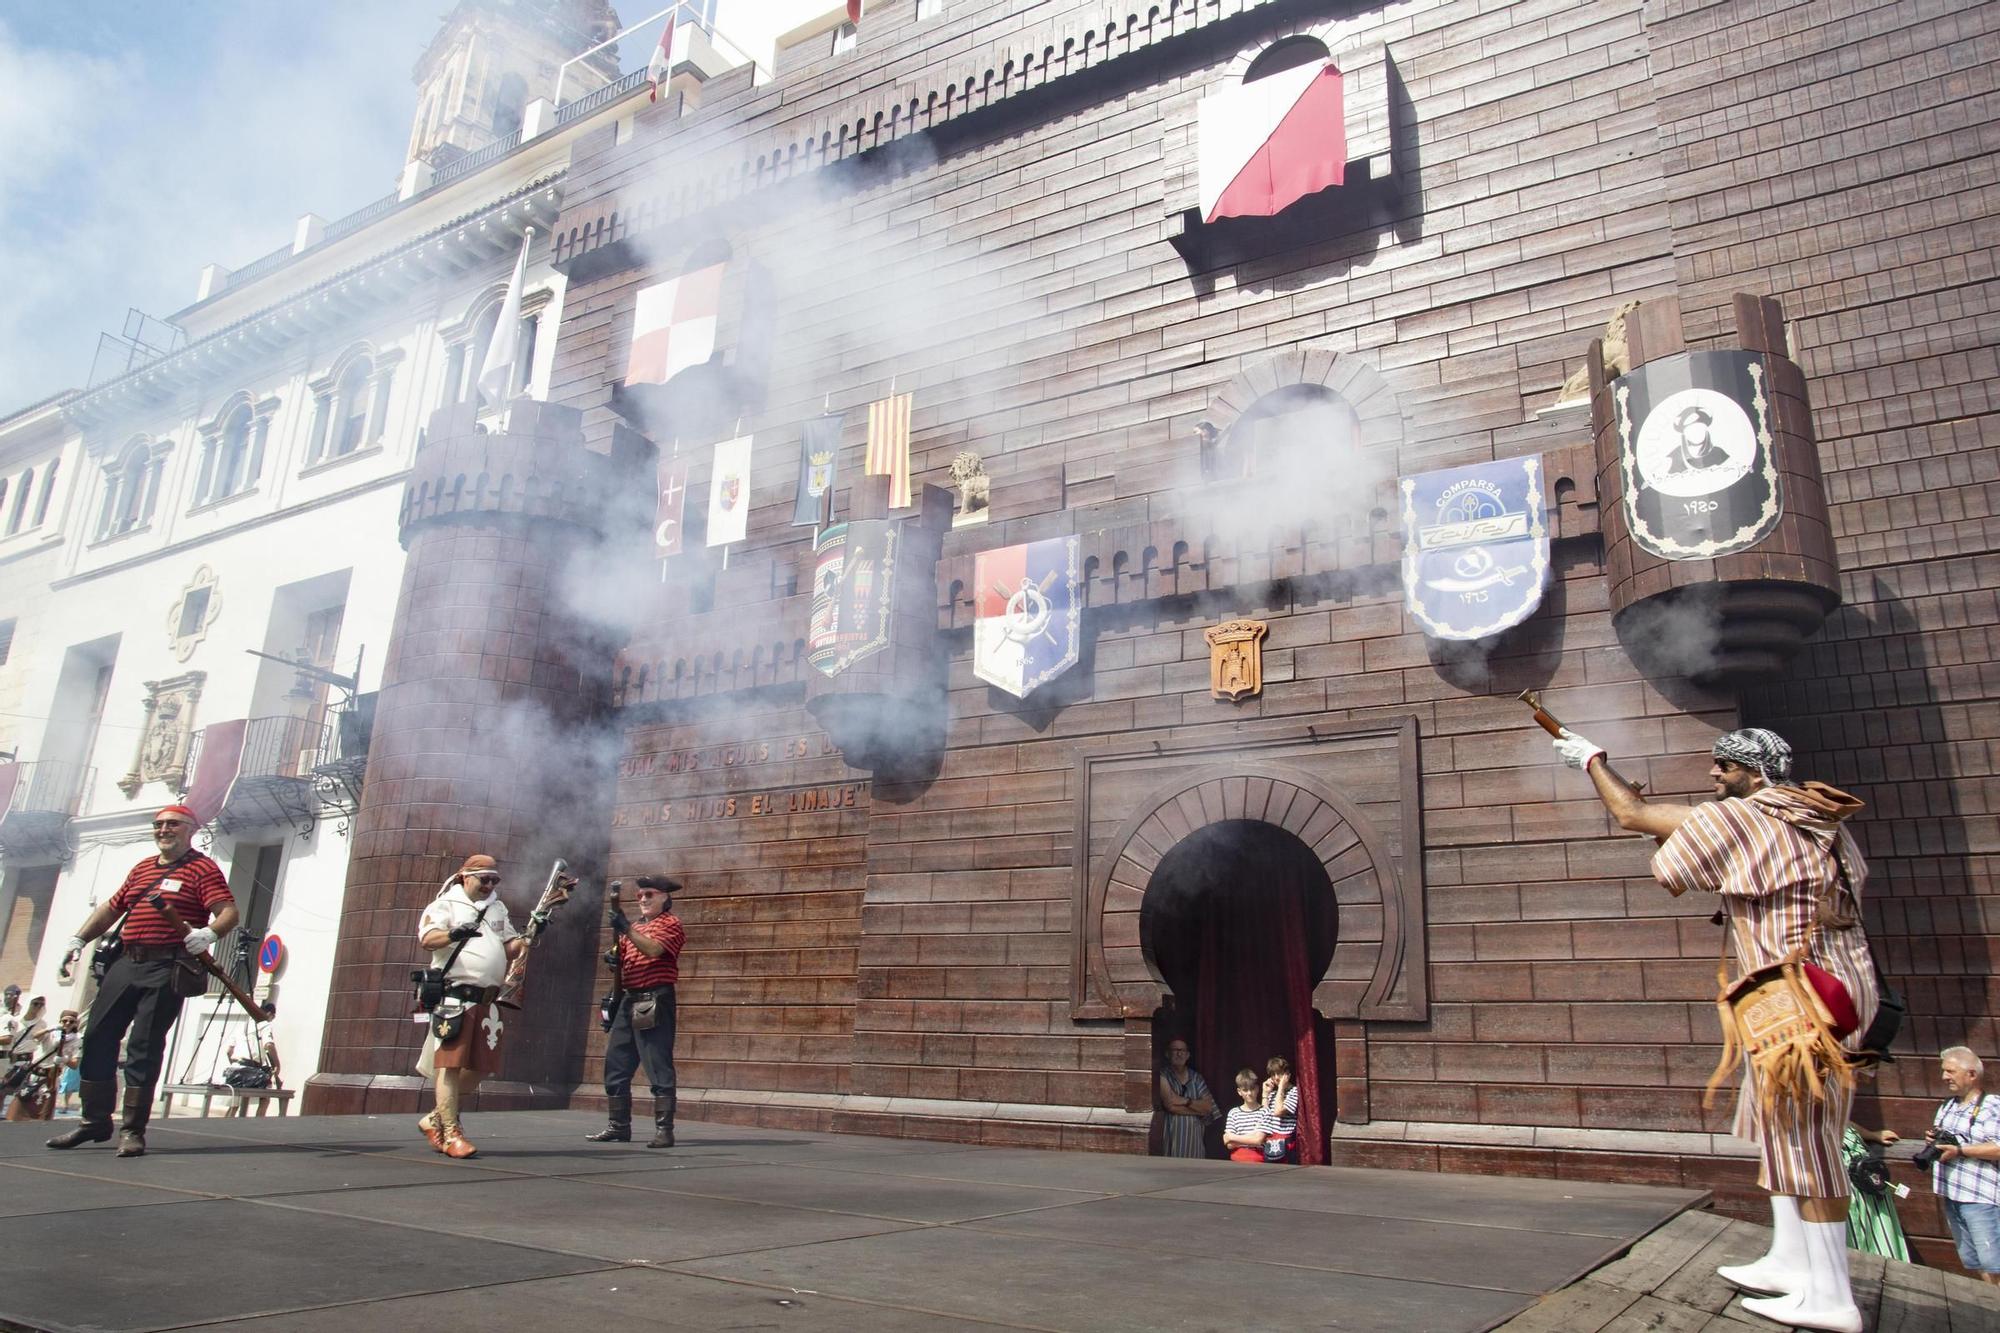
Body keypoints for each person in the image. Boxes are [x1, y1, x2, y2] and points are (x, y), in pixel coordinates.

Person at [1555, 726, 1877, 1333]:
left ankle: (1831, 1293)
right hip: (1827, 984)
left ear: (1754, 773)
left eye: (1723, 766)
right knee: (1779, 1123)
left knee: (1806, 1138)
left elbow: (1634, 815)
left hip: (1798, 999)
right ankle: (1791, 1259)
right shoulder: (1818, 818)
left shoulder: (1750, 816)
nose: (1713, 775)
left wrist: (1591, 761)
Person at [47, 804, 237, 1158]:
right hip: (126, 962)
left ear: (190, 829)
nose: (163, 830)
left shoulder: (202, 868)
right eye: (159, 824)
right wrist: (78, 940)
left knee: (144, 1047)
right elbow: (111, 908)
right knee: (98, 1035)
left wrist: (209, 934)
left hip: (168, 966)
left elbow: (228, 912)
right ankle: (95, 1121)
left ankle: (133, 1130)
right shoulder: (142, 869)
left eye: (172, 824)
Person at [415, 853, 526, 1159]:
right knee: (449, 1066)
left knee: (479, 1067)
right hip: (455, 997)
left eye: (494, 880)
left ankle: (435, 1119)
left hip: (487, 1000)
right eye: (484, 879)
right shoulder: (445, 904)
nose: (489, 885)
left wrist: (530, 934)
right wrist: (454, 933)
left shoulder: (497, 907)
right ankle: (450, 1133)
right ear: (466, 876)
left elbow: (510, 947)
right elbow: (427, 939)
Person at [584, 876, 685, 1148]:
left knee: (657, 1064)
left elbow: (653, 950)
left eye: (649, 894)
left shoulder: (670, 924)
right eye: (640, 895)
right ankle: (619, 1126)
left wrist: (626, 928)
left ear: (665, 897)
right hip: (629, 999)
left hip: (654, 998)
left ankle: (665, 1129)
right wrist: (613, 957)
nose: (643, 899)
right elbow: (624, 957)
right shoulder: (637, 927)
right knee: (616, 1065)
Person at [1926, 1046, 2000, 1285]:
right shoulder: (1948, 1105)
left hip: (1982, 1199)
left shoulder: (1992, 1106)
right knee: (1976, 1261)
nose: (1944, 1077)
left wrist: (1959, 1151)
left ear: (1971, 1074)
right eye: (1944, 1071)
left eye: (1950, 1071)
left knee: (1995, 1264)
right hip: (1953, 1194)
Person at [1841, 1114, 1908, 1261]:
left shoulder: (1832, 1100)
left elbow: (1841, 1118)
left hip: (1867, 1181)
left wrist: (1872, 1135)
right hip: (1843, 1187)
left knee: (1882, 1238)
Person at [1157, 1038, 1214, 1158]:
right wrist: (1198, 1109)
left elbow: (1209, 1107)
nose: (1179, 1053)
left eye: (1182, 1050)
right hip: (1172, 1143)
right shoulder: (1163, 1075)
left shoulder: (1196, 1078)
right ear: (1167, 1054)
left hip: (1195, 1144)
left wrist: (1185, 1100)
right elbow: (1170, 1105)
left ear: (1188, 1055)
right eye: (1175, 1050)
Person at [1222, 1070, 1268, 1163]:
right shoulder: (1233, 1113)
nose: (1249, 1093)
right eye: (1245, 1090)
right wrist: (1253, 1136)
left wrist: (1231, 1137)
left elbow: (1258, 1140)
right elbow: (1230, 1145)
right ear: (1239, 1092)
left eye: (1252, 1089)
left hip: (1258, 1160)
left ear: (1258, 1089)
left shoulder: (1265, 1111)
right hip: (1237, 1160)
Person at [1261, 1056, 1300, 1163]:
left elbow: (1278, 1111)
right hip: (1270, 1142)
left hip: (1286, 1144)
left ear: (1287, 1074)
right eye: (1273, 1075)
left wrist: (1281, 1087)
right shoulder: (1273, 1094)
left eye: (1279, 1073)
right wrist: (1265, 1094)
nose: (1276, 1077)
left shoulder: (1294, 1091)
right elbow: (1264, 1116)